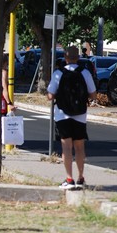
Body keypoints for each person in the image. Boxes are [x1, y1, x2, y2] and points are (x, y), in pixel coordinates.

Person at [47, 45, 96, 189]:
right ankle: (81, 178)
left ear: (65, 58)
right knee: (80, 147)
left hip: (62, 114)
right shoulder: (85, 72)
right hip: (80, 115)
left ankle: (69, 179)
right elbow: (93, 94)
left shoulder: (58, 73)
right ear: (79, 58)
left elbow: (50, 96)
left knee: (66, 147)